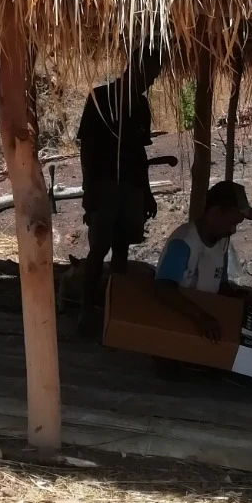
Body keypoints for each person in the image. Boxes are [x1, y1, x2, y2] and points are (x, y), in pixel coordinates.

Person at [77, 47, 174, 333]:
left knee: (122, 248)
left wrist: (147, 193)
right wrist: (88, 188)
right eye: (149, 74)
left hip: (131, 185)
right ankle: (86, 310)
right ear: (134, 67)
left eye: (154, 77)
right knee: (99, 248)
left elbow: (140, 153)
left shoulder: (141, 106)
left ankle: (114, 309)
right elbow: (87, 148)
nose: (151, 82)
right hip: (103, 183)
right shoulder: (100, 97)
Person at [154, 180, 252, 341]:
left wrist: (238, 297)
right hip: (177, 324)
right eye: (232, 223)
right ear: (215, 212)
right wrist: (200, 316)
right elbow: (163, 289)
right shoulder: (184, 242)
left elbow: (220, 283)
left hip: (205, 322)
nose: (233, 230)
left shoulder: (222, 241)